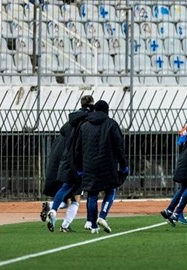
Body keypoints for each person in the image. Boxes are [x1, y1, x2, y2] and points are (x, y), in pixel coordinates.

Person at [73, 100, 129, 234]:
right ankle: (102, 216)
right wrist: (124, 165)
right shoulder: (111, 124)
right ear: (106, 110)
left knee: (92, 194)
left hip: (89, 166)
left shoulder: (84, 126)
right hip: (108, 165)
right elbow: (119, 147)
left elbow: (78, 149)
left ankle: (93, 226)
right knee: (110, 190)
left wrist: (79, 167)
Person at [44, 95, 95, 233]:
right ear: (92, 105)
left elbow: (63, 133)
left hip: (66, 160)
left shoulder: (70, 121)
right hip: (79, 162)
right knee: (77, 198)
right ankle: (66, 225)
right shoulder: (88, 122)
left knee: (65, 188)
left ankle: (53, 209)